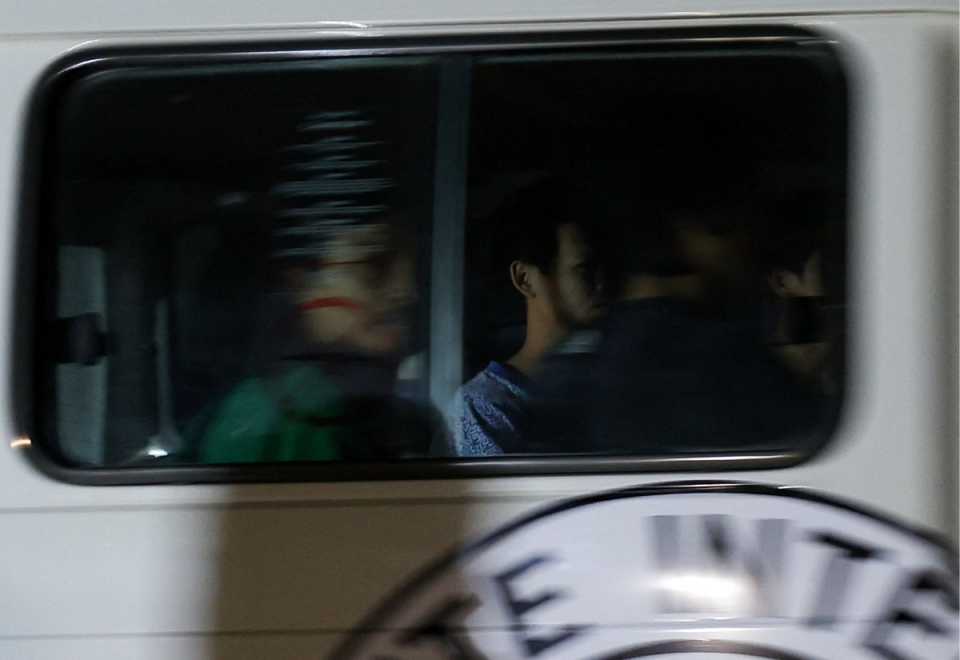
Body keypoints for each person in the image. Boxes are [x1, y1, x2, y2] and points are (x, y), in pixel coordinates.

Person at [520, 160, 823, 456]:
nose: (750, 246)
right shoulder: (728, 368)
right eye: (739, 223)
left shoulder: (563, 370)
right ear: (693, 230)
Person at [191, 110, 431, 463]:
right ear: (300, 281)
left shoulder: (374, 408)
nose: (407, 290)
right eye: (375, 265)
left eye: (413, 266)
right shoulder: (269, 421)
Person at [448, 179, 605, 456]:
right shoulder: (483, 407)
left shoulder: (609, 378)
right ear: (525, 279)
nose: (603, 283)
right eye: (584, 269)